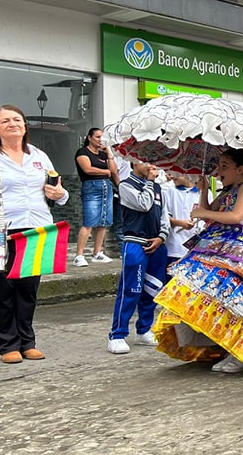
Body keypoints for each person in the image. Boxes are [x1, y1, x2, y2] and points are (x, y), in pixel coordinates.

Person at [153, 149, 243, 373]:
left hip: (241, 248)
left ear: (240, 170)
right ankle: (222, 344)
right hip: (218, 244)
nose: (219, 171)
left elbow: (235, 217)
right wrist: (202, 192)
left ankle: (239, 351)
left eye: (224, 166)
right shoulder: (229, 190)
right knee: (208, 291)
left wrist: (204, 213)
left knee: (236, 298)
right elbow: (210, 210)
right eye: (219, 166)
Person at [0, 105, 68, 364]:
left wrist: (60, 195)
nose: (12, 124)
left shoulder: (39, 156)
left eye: (17, 119)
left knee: (28, 288)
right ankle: (7, 345)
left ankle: (27, 342)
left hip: (36, 228)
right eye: (5, 121)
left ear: (25, 126)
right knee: (1, 288)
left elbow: (58, 189)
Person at [107, 161, 170, 354]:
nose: (152, 166)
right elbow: (144, 204)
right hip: (135, 243)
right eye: (146, 162)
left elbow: (164, 215)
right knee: (130, 289)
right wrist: (150, 182)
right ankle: (117, 334)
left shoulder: (159, 188)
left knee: (152, 290)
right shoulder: (126, 185)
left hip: (156, 245)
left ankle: (144, 329)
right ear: (135, 163)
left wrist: (162, 236)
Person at [74, 128, 117, 266]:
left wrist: (109, 154)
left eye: (102, 138)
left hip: (106, 187)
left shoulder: (103, 154)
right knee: (89, 221)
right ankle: (79, 255)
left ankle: (97, 252)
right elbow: (87, 169)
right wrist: (105, 171)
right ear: (90, 137)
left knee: (103, 221)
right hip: (91, 186)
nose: (100, 140)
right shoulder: (83, 152)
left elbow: (114, 171)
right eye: (98, 137)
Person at [161, 174, 201, 282]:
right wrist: (180, 223)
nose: (172, 176)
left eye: (177, 174)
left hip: (194, 249)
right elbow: (164, 217)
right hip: (173, 247)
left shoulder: (203, 193)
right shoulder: (169, 191)